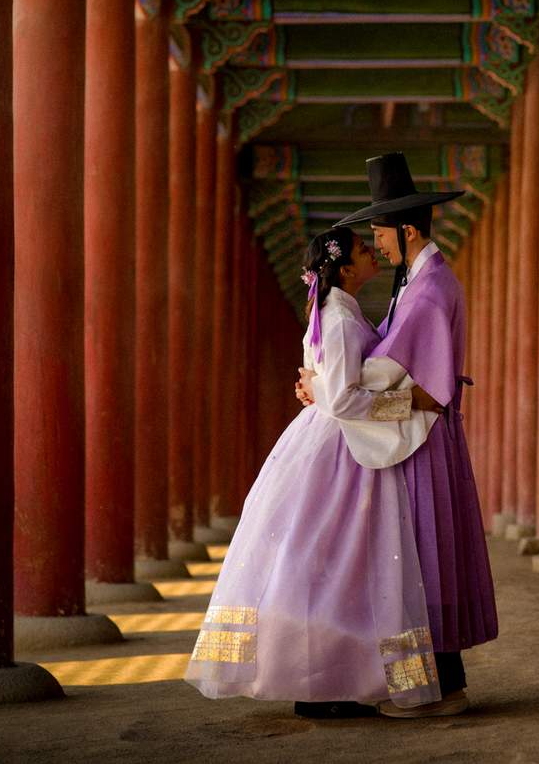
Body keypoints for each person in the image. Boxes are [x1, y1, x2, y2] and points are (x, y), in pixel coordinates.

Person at [184, 227, 445, 717]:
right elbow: (344, 398)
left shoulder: (334, 312)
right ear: (346, 268)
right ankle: (332, 680)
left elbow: (329, 386)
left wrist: (318, 388)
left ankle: (328, 677)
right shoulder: (341, 317)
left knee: (326, 562)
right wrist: (409, 403)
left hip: (325, 441)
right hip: (341, 448)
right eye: (364, 250)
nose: (373, 253)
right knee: (343, 562)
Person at [298, 152, 499, 718]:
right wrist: (324, 381)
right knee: (413, 561)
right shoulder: (414, 282)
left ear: (407, 230)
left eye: (379, 234)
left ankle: (433, 690)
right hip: (413, 437)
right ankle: (425, 683)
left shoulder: (431, 290)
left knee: (422, 560)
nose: (376, 244)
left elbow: (429, 392)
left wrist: (335, 395)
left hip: (424, 441)